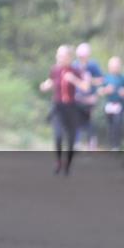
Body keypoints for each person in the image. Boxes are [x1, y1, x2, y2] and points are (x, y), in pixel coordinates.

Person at [40, 45, 89, 175]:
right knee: (58, 135)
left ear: (69, 57)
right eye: (58, 55)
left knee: (71, 139)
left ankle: (68, 164)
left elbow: (85, 87)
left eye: (62, 56)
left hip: (72, 107)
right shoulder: (55, 70)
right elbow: (50, 82)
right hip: (58, 107)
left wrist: (73, 80)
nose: (59, 58)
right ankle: (58, 162)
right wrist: (45, 85)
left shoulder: (75, 70)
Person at [73, 42, 103, 150]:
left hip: (90, 98)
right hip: (78, 98)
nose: (82, 58)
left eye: (84, 55)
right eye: (80, 55)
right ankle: (76, 142)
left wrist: (91, 81)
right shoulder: (75, 65)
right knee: (76, 119)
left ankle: (92, 142)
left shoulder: (93, 65)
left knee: (89, 120)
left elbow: (101, 80)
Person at [100, 56, 124, 150]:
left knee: (118, 124)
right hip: (109, 105)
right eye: (113, 66)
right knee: (110, 126)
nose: (115, 68)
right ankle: (111, 144)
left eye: (117, 66)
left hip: (120, 105)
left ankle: (117, 145)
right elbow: (100, 91)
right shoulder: (106, 78)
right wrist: (106, 90)